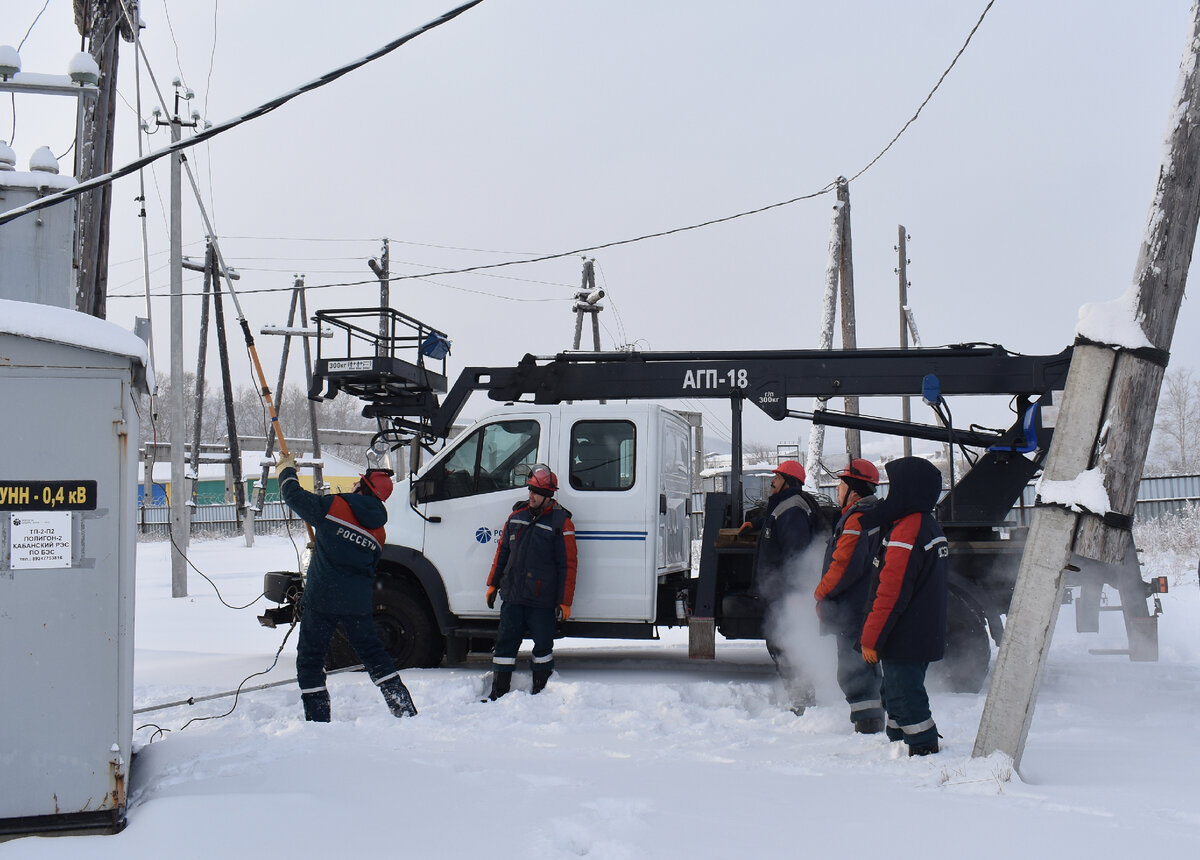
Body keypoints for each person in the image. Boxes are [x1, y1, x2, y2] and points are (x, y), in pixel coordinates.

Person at [275, 453, 417, 722]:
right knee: (373, 654)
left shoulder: (336, 506)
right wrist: (328, 542)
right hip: (357, 603)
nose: (354, 484)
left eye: (358, 482)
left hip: (322, 599)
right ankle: (403, 707)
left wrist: (286, 471)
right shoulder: (379, 531)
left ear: (364, 487)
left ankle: (318, 719)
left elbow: (294, 496)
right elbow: (365, 561)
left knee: (311, 659)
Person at [860, 456, 948, 755]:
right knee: (895, 691)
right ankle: (899, 746)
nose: (889, 495)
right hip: (915, 631)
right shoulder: (925, 524)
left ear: (907, 489)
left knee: (904, 695)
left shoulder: (907, 531)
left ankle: (923, 750)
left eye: (894, 487)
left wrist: (871, 638)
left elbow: (890, 593)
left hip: (905, 634)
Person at [484, 464, 578, 700]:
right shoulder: (516, 517)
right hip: (513, 595)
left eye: (536, 492)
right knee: (505, 645)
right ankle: (499, 690)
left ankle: (540, 692)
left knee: (543, 648)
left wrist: (565, 601)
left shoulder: (561, 523)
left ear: (548, 496)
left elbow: (568, 565)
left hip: (541, 599)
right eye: (530, 490)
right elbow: (502, 553)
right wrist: (493, 584)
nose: (531, 496)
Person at [741, 459, 822, 715]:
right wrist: (756, 524)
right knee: (780, 643)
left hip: (787, 593)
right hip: (782, 591)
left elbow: (795, 555)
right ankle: (800, 697)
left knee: (784, 644)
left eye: (777, 476)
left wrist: (789, 595)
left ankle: (802, 701)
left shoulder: (793, 510)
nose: (772, 481)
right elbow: (775, 520)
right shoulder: (787, 505)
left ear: (788, 481)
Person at [814, 459, 885, 734]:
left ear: (854, 488)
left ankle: (867, 725)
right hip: (863, 605)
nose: (837, 488)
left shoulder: (856, 520)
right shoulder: (871, 515)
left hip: (852, 608)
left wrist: (821, 592)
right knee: (865, 663)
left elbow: (843, 566)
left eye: (841, 483)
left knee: (852, 667)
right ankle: (873, 718)